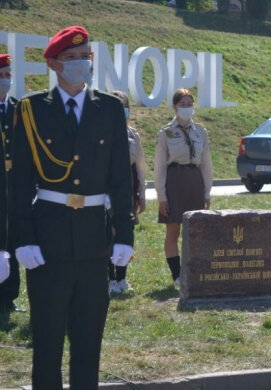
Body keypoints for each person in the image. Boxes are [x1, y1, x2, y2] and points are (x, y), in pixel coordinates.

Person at [11, 26, 134, 388]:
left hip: (94, 240)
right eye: (71, 59)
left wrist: (124, 233)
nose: (81, 65)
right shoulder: (32, 109)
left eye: (85, 58)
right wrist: (23, 238)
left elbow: (120, 180)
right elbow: (18, 184)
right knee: (46, 344)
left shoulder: (109, 108)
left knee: (88, 343)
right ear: (53, 64)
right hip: (47, 242)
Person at [154, 88, 212, 286]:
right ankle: (177, 275)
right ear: (174, 107)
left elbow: (206, 164)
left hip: (195, 181)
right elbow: (160, 167)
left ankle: (194, 271)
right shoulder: (166, 132)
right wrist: (162, 196)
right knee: (173, 231)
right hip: (175, 181)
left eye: (189, 104)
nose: (186, 108)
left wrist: (207, 191)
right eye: (182, 104)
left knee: (195, 230)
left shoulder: (201, 131)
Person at [108, 90, 147, 294]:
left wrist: (141, 194)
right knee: (109, 233)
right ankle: (110, 278)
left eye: (125, 107)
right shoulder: (102, 133)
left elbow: (140, 168)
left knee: (126, 232)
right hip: (109, 189)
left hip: (129, 188)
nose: (122, 111)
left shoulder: (133, 135)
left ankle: (122, 277)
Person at [0, 53, 20, 312]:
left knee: (13, 240)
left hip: (14, 188)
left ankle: (9, 296)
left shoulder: (19, 109)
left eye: (7, 76)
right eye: (0, 76)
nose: (5, 81)